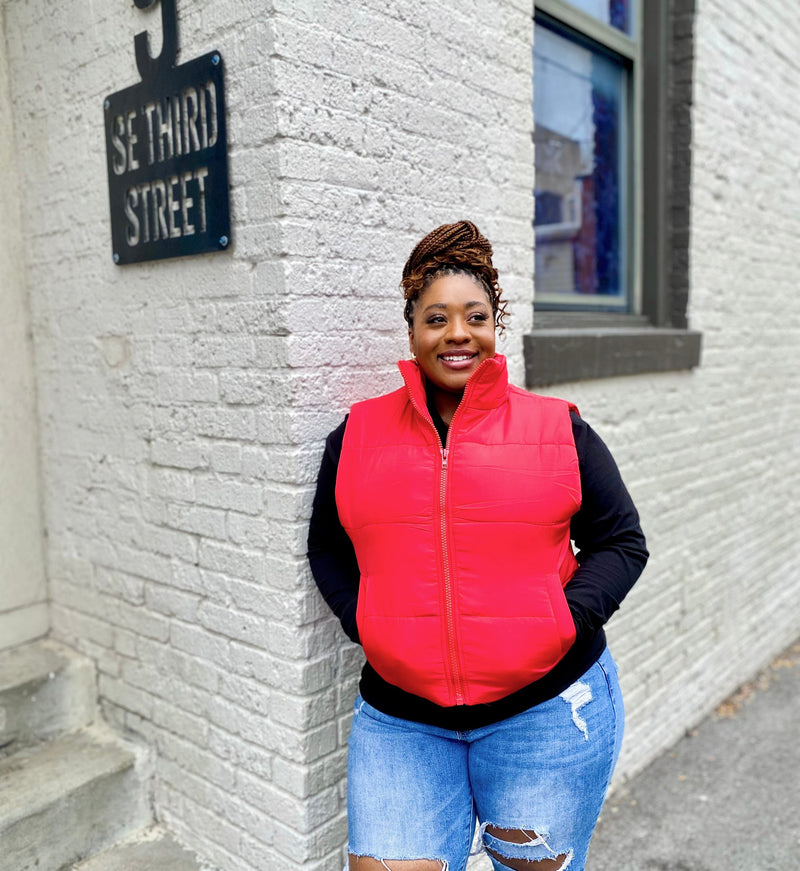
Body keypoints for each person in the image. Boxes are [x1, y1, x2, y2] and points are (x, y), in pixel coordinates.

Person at [307, 221, 648, 871]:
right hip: (401, 722)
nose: (457, 332)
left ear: (495, 327)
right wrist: (365, 621)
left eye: (475, 315)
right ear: (412, 329)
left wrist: (560, 621)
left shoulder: (558, 431)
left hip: (546, 717)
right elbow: (326, 546)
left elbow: (621, 542)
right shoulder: (355, 438)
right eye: (437, 317)